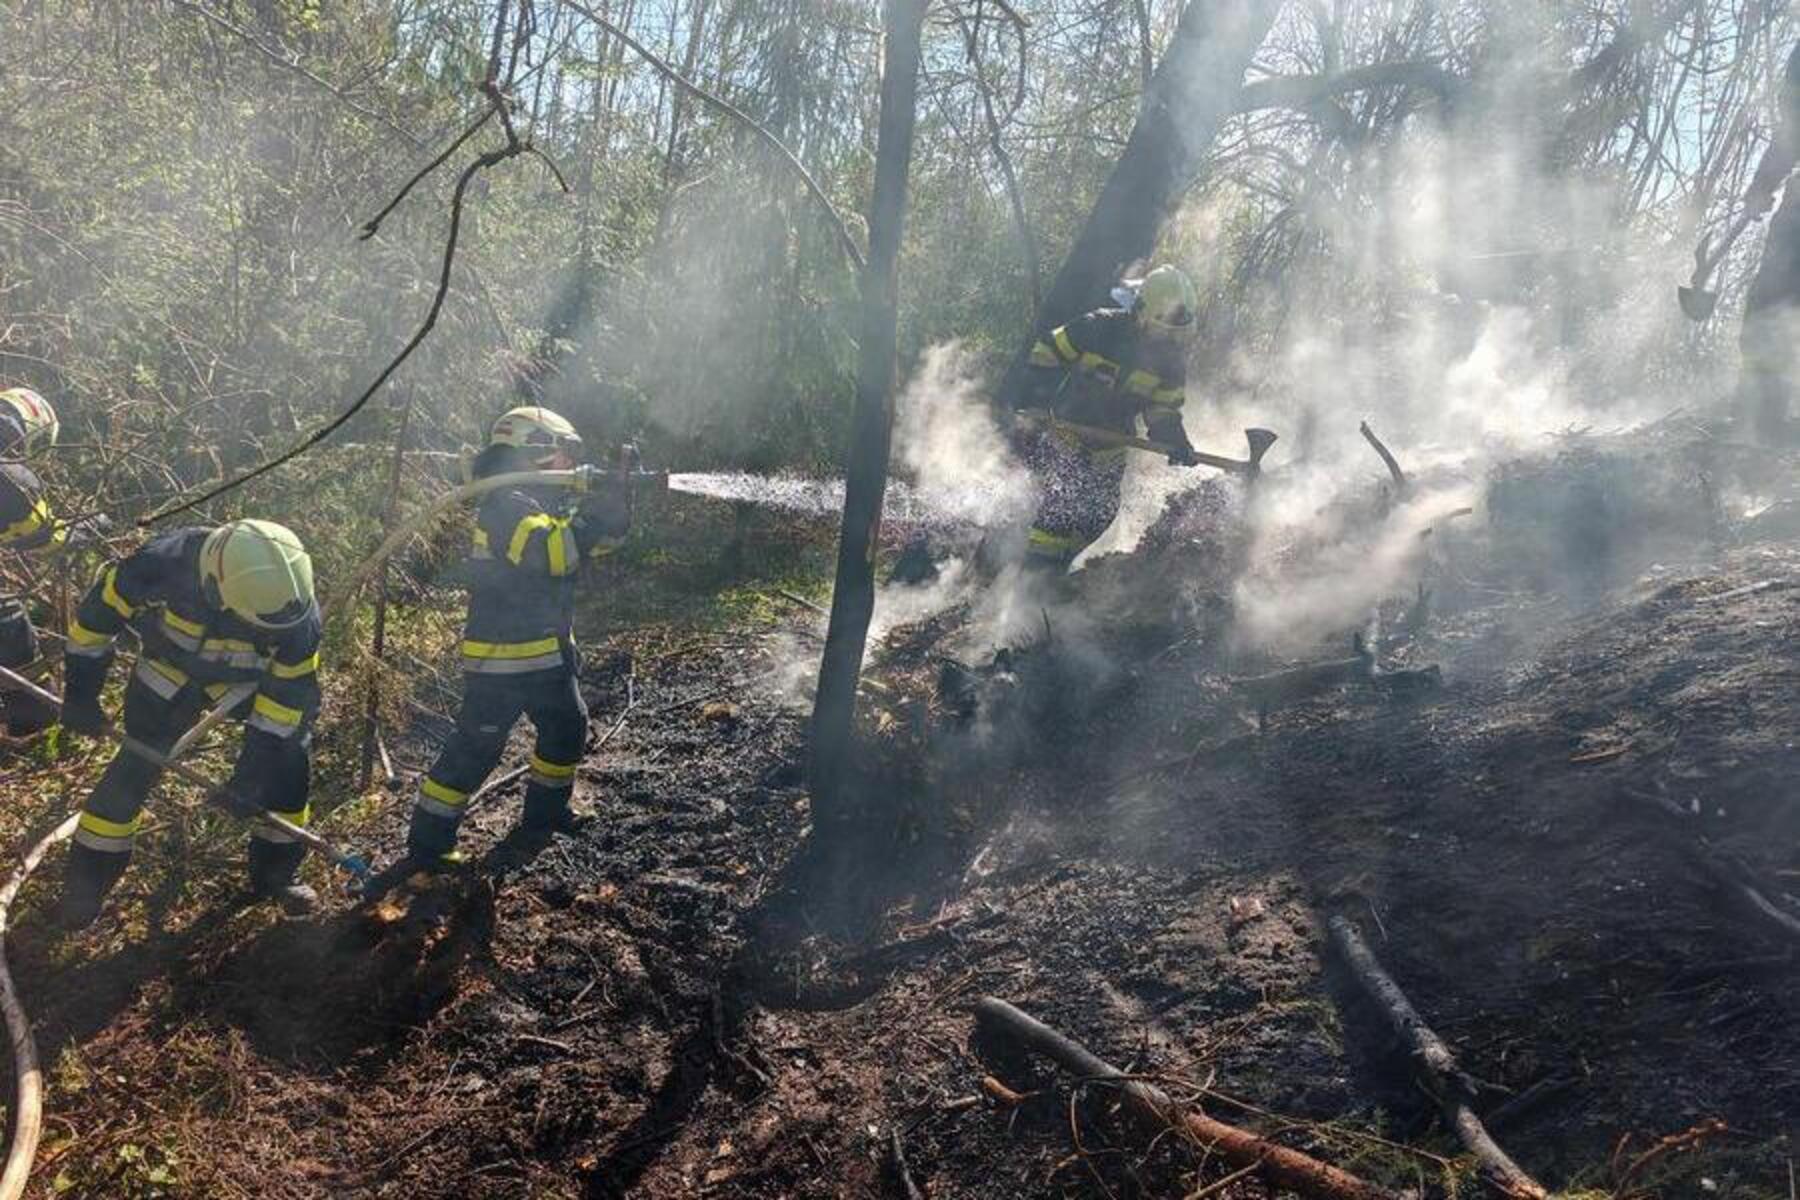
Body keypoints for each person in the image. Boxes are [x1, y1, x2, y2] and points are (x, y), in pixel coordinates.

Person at [57, 519, 323, 928]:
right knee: (134, 769)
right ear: (216, 590)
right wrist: (80, 693)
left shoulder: (296, 619)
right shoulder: (157, 564)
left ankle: (276, 876)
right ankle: (83, 891)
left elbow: (285, 707)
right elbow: (95, 622)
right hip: (168, 675)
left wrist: (251, 777)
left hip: (246, 686)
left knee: (288, 765)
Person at [404, 406, 633, 866]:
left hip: (547, 651)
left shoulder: (540, 501)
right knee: (476, 749)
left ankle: (545, 815)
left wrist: (616, 505)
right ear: (537, 449)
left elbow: (598, 545)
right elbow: (549, 554)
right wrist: (589, 521)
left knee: (568, 728)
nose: (571, 463)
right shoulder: (504, 502)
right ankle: (429, 844)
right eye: (566, 453)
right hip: (499, 658)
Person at [1012, 265, 1202, 569]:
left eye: (1174, 336)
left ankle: (1055, 573)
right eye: (1161, 331)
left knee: (1100, 515)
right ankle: (1031, 583)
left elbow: (1163, 409)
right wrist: (1036, 400)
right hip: (1065, 434)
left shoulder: (1172, 364)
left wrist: (1175, 440)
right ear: (1139, 312)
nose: (1165, 342)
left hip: (1111, 448)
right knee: (1058, 511)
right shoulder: (1097, 328)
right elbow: (1047, 350)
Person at [0, 386, 69, 737]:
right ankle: (33, 717)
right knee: (6, 618)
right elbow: (47, 539)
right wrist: (92, 526)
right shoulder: (13, 480)